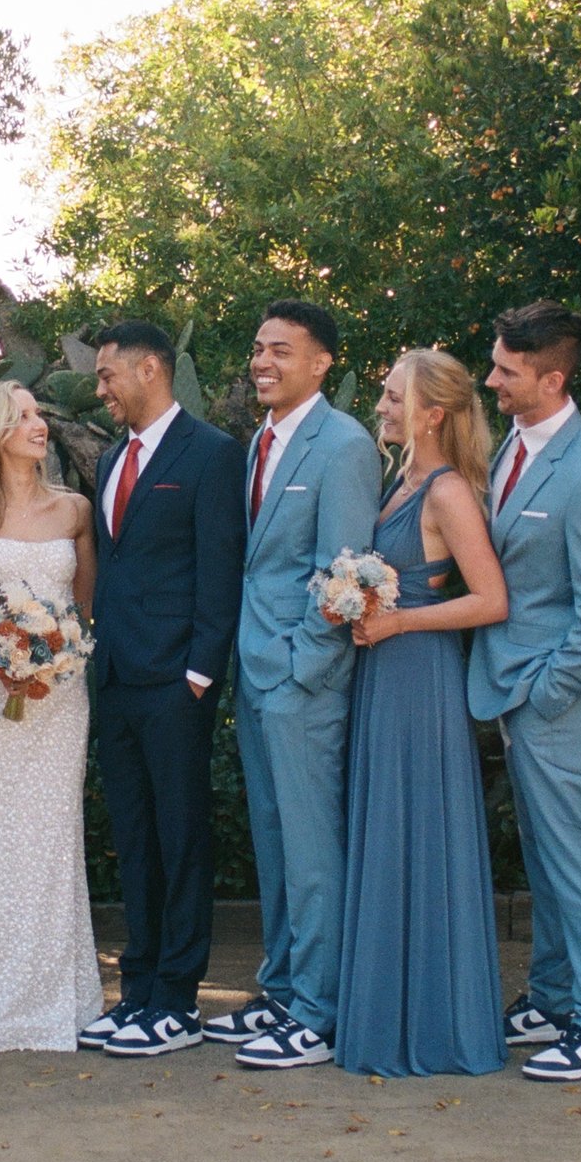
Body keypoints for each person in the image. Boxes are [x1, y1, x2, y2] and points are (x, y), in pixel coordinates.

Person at [470, 301, 581, 1084]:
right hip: (513, 688)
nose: (492, 378)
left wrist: (545, 691)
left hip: (557, 697)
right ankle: (555, 994)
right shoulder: (515, 444)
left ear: (552, 377)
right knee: (545, 856)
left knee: (577, 856)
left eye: (507, 369)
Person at [334, 349, 510, 1078]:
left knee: (421, 834)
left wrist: (400, 622)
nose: (380, 402)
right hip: (383, 676)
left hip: (423, 680)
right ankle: (387, 1014)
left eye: (391, 393)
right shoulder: (395, 477)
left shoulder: (446, 492)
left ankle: (436, 1025)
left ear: (432, 412)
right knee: (386, 832)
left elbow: (491, 599)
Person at [218, 301, 381, 1071]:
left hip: (300, 677)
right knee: (277, 841)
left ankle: (319, 1008)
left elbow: (343, 569)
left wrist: (298, 665)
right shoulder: (262, 440)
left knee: (314, 847)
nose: (263, 361)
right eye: (258, 347)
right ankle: (282, 987)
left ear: (321, 363)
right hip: (254, 673)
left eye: (281, 349)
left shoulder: (343, 445)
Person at [79, 323, 246, 1058]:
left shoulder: (210, 454)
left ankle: (177, 998)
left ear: (152, 368)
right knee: (136, 842)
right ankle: (138, 988)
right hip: (114, 679)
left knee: (181, 840)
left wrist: (199, 675)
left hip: (177, 682)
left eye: (110, 373)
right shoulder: (113, 457)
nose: (101, 387)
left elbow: (220, 570)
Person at [0, 381, 105, 1053]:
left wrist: (50, 657)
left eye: (39, 414)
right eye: (24, 416)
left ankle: (57, 999)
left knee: (53, 836)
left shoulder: (75, 510)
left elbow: (84, 608)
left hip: (59, 701)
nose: (39, 425)